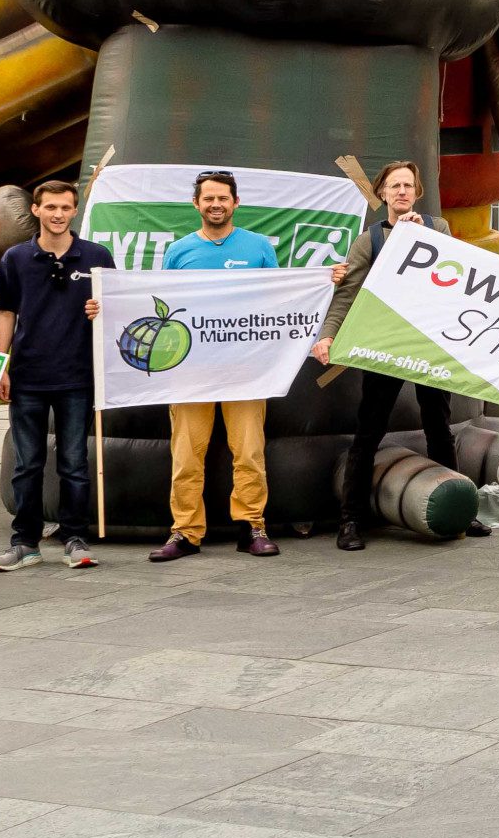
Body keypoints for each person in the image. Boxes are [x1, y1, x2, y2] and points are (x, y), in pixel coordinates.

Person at [310, 160, 481, 552]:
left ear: (417, 192)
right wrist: (328, 335)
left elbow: (458, 278)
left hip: (427, 343)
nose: (401, 191)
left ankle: (460, 510)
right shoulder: (369, 239)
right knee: (369, 429)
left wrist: (425, 242)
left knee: (439, 425)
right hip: (385, 344)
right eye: (394, 186)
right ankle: (351, 520)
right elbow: (347, 293)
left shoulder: (437, 229)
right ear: (382, 193)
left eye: (408, 185)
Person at [149, 170, 284, 561]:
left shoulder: (259, 247)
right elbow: (160, 304)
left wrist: (326, 280)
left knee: (249, 453)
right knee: (187, 455)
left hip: (245, 370)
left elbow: (281, 300)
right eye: (208, 198)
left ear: (236, 203)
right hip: (191, 371)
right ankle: (185, 532)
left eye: (223, 198)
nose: (216, 204)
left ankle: (252, 526)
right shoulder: (178, 251)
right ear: (196, 204)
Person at [0, 176, 108, 573]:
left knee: (74, 462)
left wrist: (101, 310)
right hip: (28, 376)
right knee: (27, 464)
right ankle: (24, 542)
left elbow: (119, 308)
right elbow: (5, 312)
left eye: (65, 208)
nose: (58, 214)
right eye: (50, 207)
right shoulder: (16, 258)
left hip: (77, 375)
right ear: (36, 210)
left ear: (75, 211)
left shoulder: (97, 256)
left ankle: (74, 537)